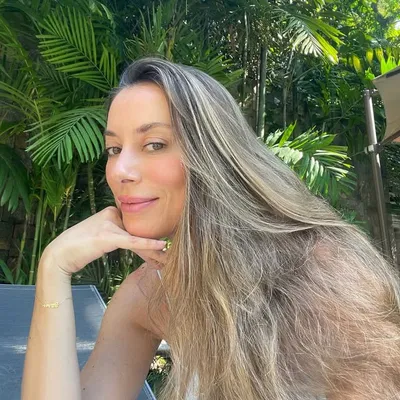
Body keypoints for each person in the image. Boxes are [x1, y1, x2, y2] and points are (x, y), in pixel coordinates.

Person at [21, 57, 400, 400]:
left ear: (213, 156)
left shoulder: (317, 273)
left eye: (154, 144)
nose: (120, 171)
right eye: (114, 149)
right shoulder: (149, 291)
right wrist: (54, 267)